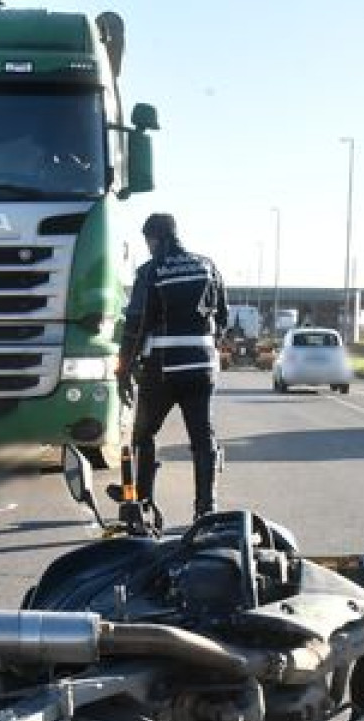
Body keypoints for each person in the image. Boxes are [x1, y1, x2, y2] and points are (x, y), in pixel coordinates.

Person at [117, 213, 228, 521]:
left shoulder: (152, 271)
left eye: (148, 241)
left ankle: (142, 503)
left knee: (143, 434)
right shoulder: (207, 266)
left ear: (155, 238)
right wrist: (209, 348)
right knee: (203, 439)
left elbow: (136, 324)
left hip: (163, 370)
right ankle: (206, 510)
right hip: (202, 368)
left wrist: (124, 369)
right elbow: (223, 317)